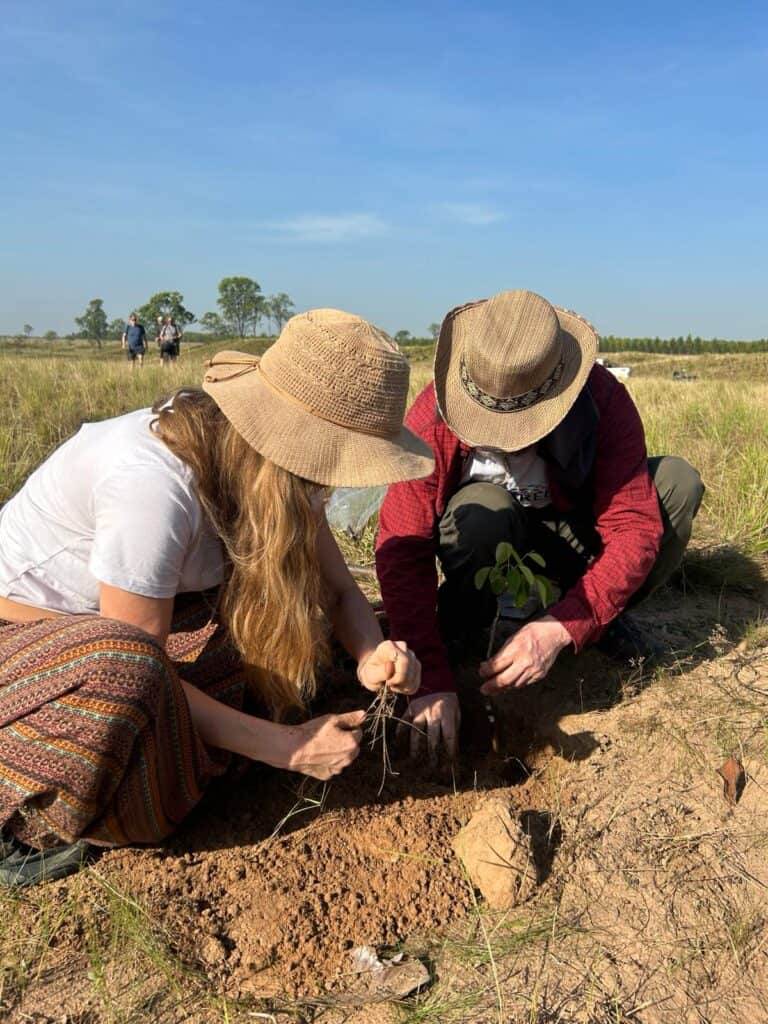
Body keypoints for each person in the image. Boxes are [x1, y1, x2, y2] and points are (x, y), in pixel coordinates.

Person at [0, 309, 433, 887]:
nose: (329, 487)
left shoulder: (276, 478)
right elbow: (142, 666)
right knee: (125, 673)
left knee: (273, 637)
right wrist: (288, 747)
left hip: (118, 631)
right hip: (34, 639)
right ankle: (37, 816)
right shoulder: (153, 485)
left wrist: (370, 652)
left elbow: (337, 592)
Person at [375, 289, 704, 762]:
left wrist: (562, 625)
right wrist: (428, 678)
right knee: (480, 510)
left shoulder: (603, 401)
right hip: (487, 543)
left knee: (677, 483)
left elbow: (633, 527)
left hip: (576, 541)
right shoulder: (434, 417)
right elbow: (402, 547)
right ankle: (472, 617)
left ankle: (603, 623)